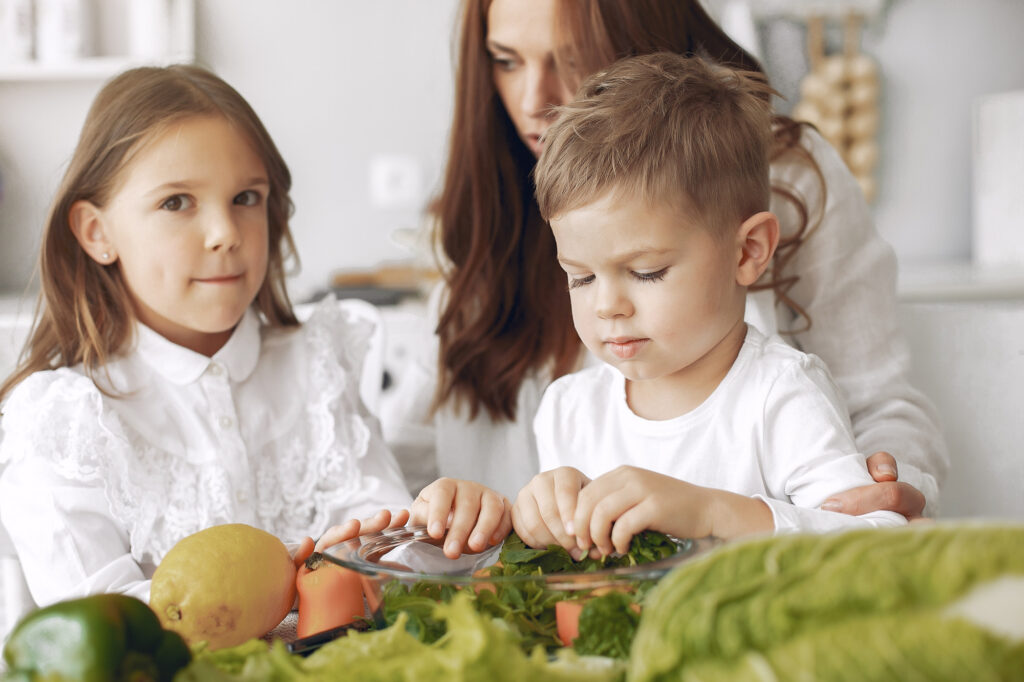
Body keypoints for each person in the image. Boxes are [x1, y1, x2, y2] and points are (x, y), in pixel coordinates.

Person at [385, 0, 946, 520]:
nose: (535, 101)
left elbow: (876, 409)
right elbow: (416, 443)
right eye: (506, 61)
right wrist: (438, 514)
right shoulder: (567, 401)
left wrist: (873, 496)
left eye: (571, 58)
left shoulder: (783, 182)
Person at [0, 65, 510, 609]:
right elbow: (101, 619)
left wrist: (446, 531)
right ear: (97, 233)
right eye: (177, 202)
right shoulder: (62, 421)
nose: (225, 233)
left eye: (246, 197)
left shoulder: (317, 367)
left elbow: (388, 564)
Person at [514, 52, 905, 556]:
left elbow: (880, 545)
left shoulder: (781, 396)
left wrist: (715, 513)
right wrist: (532, 521)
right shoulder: (568, 411)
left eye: (646, 271)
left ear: (748, 252)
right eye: (581, 277)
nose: (607, 306)